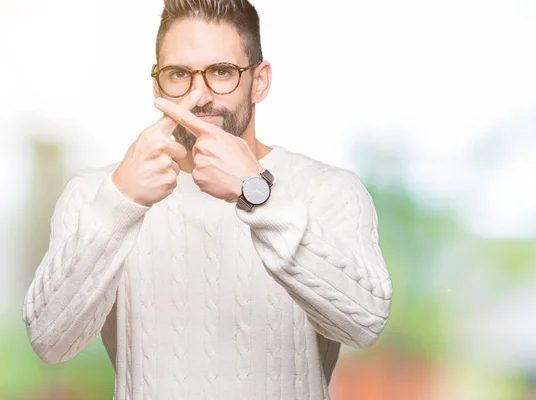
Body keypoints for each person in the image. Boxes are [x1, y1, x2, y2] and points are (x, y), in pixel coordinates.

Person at [22, 0, 392, 398]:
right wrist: (120, 203)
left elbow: (365, 322)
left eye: (221, 72)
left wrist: (258, 193)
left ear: (260, 81)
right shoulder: (96, 193)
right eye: (179, 74)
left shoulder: (329, 190)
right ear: (156, 85)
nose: (199, 95)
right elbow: (50, 342)